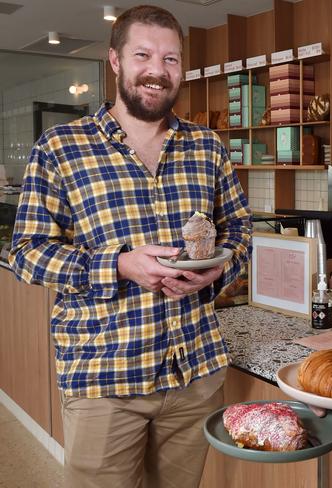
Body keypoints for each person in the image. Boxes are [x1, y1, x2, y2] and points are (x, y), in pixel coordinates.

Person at [9, 6, 251, 488]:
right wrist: (118, 265)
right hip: (105, 378)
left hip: (194, 372)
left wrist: (217, 272)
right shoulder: (61, 147)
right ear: (115, 60)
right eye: (143, 54)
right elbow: (26, 252)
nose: (158, 70)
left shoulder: (208, 146)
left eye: (171, 59)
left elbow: (239, 233)